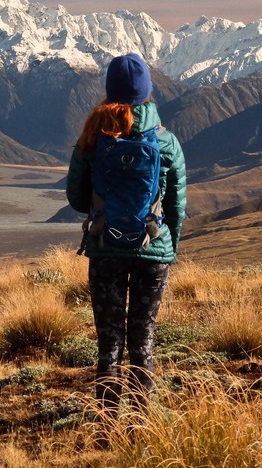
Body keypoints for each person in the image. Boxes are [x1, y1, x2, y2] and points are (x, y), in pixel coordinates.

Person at [66, 52, 186, 417]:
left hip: (106, 251)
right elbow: (177, 205)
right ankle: (140, 423)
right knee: (143, 341)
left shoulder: (93, 136)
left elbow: (75, 197)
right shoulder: (166, 142)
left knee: (110, 344)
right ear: (148, 91)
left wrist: (104, 209)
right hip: (154, 252)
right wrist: (168, 248)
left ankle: (105, 426)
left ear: (109, 90)